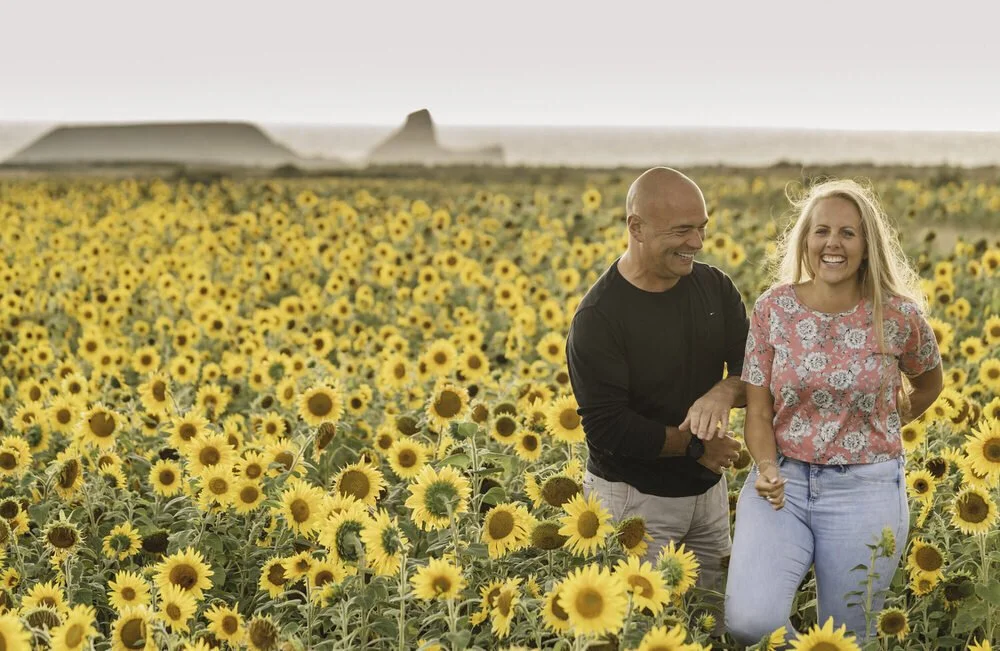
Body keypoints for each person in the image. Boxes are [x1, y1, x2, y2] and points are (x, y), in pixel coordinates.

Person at [725, 179, 943, 644]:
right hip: (781, 485)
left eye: (848, 233)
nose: (833, 243)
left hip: (866, 489)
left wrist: (883, 424)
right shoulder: (773, 309)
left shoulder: (899, 316)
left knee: (848, 636)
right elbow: (758, 413)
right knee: (750, 623)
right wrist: (766, 466)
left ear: (867, 246)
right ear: (806, 240)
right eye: (821, 231)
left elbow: (929, 384)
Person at [566, 167, 746, 599]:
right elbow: (608, 429)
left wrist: (724, 391)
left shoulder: (715, 287)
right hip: (634, 503)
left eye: (702, 228)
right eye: (682, 230)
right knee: (638, 625)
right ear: (636, 228)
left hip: (708, 494)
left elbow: (756, 370)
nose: (697, 243)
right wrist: (697, 446)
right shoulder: (599, 317)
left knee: (711, 620)